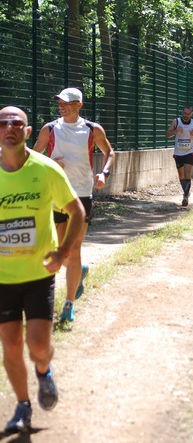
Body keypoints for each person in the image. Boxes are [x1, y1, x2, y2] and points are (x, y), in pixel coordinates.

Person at [0, 106, 85, 433]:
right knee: (9, 343)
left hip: (38, 272)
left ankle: (44, 371)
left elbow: (75, 210)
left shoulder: (46, 169)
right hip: (3, 277)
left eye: (16, 123)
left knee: (37, 345)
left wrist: (63, 251)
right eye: (3, 123)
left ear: (27, 131)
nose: (9, 127)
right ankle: (23, 406)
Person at [33, 87, 114, 322]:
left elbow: (109, 152)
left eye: (67, 102)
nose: (62, 105)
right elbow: (32, 156)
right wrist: (49, 163)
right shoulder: (49, 129)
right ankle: (79, 271)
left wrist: (103, 174)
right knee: (59, 249)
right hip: (55, 195)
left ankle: (69, 304)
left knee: (74, 249)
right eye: (60, 101)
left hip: (81, 194)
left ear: (79, 105)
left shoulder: (92, 129)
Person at [166, 106, 193, 207]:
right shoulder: (176, 121)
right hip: (178, 152)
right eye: (184, 113)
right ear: (183, 112)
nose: (186, 116)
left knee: (187, 173)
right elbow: (167, 134)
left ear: (191, 114)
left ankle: (185, 197)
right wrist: (175, 131)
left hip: (190, 151)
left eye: (188, 114)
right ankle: (186, 192)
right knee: (181, 175)